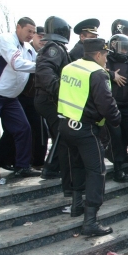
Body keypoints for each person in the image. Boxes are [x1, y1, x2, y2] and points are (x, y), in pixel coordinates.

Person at [57, 38, 121, 236]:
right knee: (96, 171)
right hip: (85, 128)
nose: (106, 61)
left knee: (76, 165)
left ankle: (77, 206)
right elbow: (106, 104)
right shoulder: (97, 73)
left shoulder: (69, 67)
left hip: (65, 125)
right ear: (99, 55)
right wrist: (117, 119)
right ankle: (90, 222)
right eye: (106, 56)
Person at [0, 17, 40, 178]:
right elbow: (17, 64)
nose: (31, 35)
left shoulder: (29, 49)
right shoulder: (5, 39)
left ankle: (22, 166)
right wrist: (44, 66)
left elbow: (38, 63)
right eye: (29, 31)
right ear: (18, 27)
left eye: (33, 32)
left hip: (11, 97)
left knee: (23, 128)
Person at [34, 16, 73, 184]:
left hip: (47, 98)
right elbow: (45, 71)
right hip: (49, 99)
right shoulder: (54, 48)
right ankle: (52, 168)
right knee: (61, 133)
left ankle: (52, 167)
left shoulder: (55, 47)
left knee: (59, 133)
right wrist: (59, 90)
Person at [105, 33, 128, 182]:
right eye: (122, 48)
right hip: (110, 104)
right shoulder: (106, 60)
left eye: (127, 49)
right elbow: (95, 71)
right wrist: (111, 74)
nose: (125, 52)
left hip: (126, 105)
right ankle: (118, 169)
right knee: (116, 137)